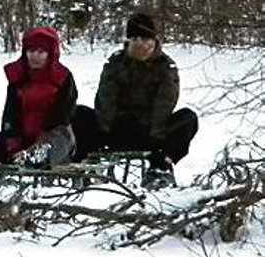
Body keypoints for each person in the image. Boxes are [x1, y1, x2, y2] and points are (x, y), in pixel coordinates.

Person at [72, 12, 198, 189]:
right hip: (115, 129)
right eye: (136, 39)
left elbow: (165, 104)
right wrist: (104, 129)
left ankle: (161, 166)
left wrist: (156, 137)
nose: (142, 45)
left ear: (155, 41)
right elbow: (105, 100)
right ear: (129, 41)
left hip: (151, 132)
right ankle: (84, 164)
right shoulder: (116, 63)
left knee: (188, 118)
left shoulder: (165, 66)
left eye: (147, 39)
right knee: (78, 113)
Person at [0, 27, 77, 170]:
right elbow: (11, 114)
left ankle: (39, 156)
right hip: (21, 142)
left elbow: (63, 115)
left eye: (41, 52)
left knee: (59, 136)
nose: (35, 56)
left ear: (50, 54)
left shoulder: (62, 78)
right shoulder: (18, 77)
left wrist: (40, 142)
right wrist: (12, 146)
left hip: (52, 140)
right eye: (31, 51)